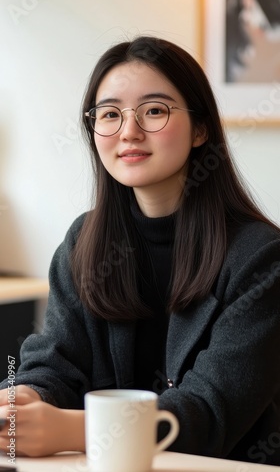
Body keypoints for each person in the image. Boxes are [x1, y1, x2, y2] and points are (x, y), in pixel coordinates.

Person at [0, 36, 280, 465]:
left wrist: (77, 429)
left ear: (201, 128)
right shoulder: (84, 242)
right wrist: (26, 398)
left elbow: (210, 410)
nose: (129, 131)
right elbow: (55, 363)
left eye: (154, 110)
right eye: (110, 114)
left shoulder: (261, 257)